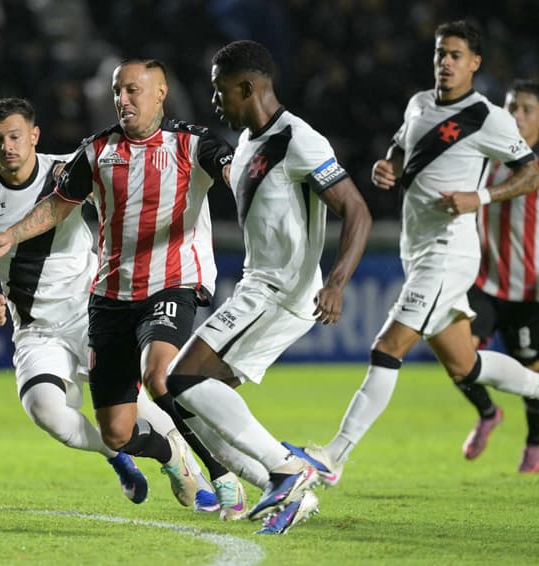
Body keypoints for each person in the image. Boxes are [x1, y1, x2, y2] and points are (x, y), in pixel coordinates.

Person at [296, 20, 539, 486]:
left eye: (455, 55)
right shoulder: (419, 103)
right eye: (439, 54)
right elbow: (402, 144)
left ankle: (334, 455)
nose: (445, 63)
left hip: (449, 249)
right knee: (465, 363)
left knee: (387, 349)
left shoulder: (488, 116)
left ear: (474, 63)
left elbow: (530, 173)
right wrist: (389, 164)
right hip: (418, 246)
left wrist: (480, 198)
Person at [0, 61, 248, 518]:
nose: (123, 99)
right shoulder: (98, 151)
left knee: (160, 375)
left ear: (161, 93)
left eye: (134, 90)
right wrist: (12, 234)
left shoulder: (191, 142)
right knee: (117, 431)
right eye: (118, 91)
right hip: (109, 298)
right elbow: (58, 205)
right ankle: (168, 453)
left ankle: (221, 473)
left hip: (172, 285)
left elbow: (234, 174)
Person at [166, 40, 373, 535]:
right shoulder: (249, 145)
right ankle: (285, 493)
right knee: (188, 398)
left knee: (180, 380)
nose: (215, 102)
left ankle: (287, 468)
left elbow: (357, 210)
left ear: (247, 87)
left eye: (220, 92)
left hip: (280, 292)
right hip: (258, 289)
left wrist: (338, 281)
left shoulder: (298, 139)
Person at [0, 97, 158, 505]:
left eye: (15, 136)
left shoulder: (66, 170)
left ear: (34, 136)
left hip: (88, 314)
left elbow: (119, 204)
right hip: (34, 326)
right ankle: (116, 456)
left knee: (142, 408)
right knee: (45, 410)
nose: (7, 146)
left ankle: (197, 475)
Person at [457, 79, 539, 473]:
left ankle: (535, 442)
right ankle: (487, 414)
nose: (517, 115)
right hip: (482, 282)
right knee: (458, 355)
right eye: (512, 107)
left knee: (530, 375)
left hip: (530, 290)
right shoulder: (485, 153)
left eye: (527, 109)